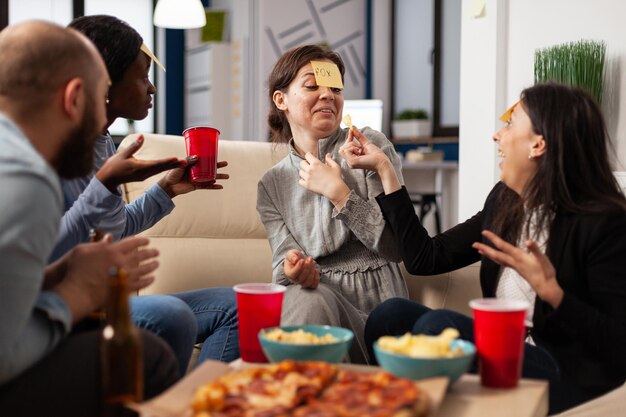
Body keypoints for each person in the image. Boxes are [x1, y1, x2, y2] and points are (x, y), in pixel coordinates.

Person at [340, 83, 626, 414]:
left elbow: (618, 345)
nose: (497, 136)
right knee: (390, 316)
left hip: (567, 370)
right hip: (506, 352)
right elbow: (425, 258)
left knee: (435, 330)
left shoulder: (604, 223)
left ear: (538, 144)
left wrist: (553, 294)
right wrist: (385, 171)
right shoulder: (505, 201)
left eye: (510, 124)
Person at [0, 21, 179, 416]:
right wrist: (74, 294)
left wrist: (62, 272)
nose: (103, 123)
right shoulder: (26, 177)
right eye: (101, 98)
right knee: (146, 356)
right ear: (75, 98)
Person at [49, 15, 238, 375]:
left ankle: (194, 404)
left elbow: (112, 229)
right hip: (66, 303)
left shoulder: (103, 142)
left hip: (104, 299)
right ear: (103, 80)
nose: (152, 89)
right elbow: (46, 254)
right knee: (173, 316)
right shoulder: (53, 147)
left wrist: (165, 190)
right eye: (142, 77)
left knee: (236, 306)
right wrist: (102, 185)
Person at [257, 44, 407, 364]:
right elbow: (282, 271)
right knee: (304, 296)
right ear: (280, 99)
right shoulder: (271, 185)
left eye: (335, 87)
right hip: (319, 309)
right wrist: (295, 271)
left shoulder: (368, 146)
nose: (328, 94)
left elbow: (398, 246)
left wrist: (340, 194)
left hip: (383, 314)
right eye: (312, 85)